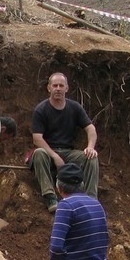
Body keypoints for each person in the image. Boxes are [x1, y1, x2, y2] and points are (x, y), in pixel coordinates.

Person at [27, 72, 99, 213]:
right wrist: (54, 156)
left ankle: (91, 200)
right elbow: (37, 138)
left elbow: (91, 129)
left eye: (61, 85)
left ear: (67, 88)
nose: (58, 88)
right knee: (39, 153)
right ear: (49, 88)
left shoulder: (75, 108)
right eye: (55, 85)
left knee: (91, 158)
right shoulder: (41, 110)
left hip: (69, 152)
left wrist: (90, 147)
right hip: (48, 151)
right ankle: (50, 197)